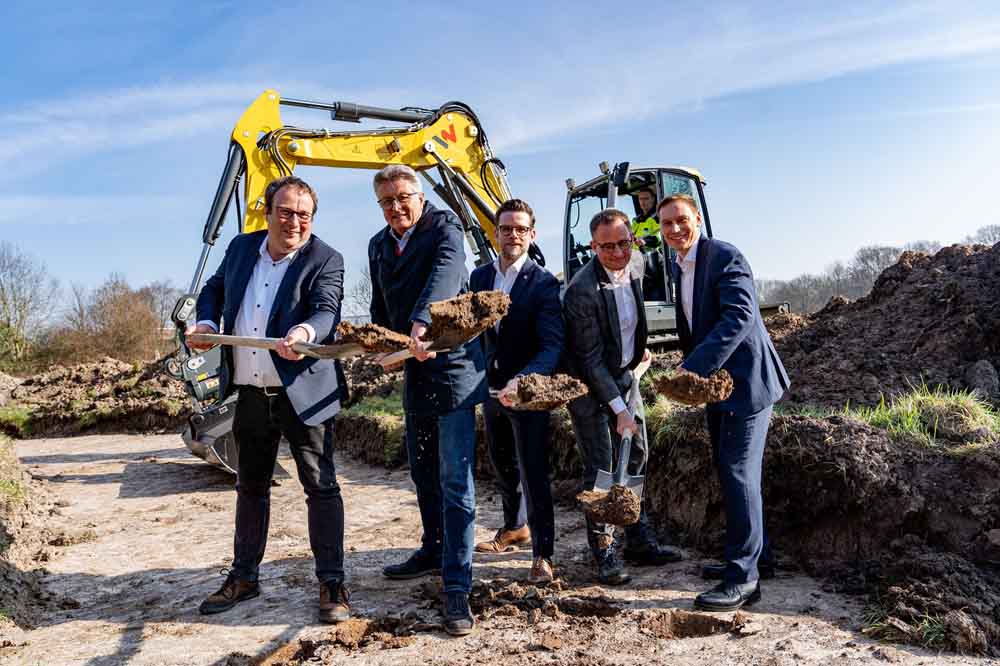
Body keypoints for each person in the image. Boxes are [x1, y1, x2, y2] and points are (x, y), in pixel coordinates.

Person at [187, 175, 351, 623]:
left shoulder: (326, 258)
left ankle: (332, 583)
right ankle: (244, 578)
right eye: (286, 211)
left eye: (304, 214)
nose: (295, 221)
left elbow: (326, 308)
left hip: (304, 392)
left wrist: (303, 332)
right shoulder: (242, 249)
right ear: (267, 211)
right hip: (250, 392)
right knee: (251, 486)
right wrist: (204, 322)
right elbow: (214, 290)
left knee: (320, 487)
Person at [368, 165, 487, 636]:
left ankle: (457, 584)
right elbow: (380, 301)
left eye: (403, 198)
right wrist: (380, 343)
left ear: (420, 196)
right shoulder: (379, 243)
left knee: (455, 479)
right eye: (386, 202)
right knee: (422, 470)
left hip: (452, 366)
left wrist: (420, 324)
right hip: (412, 368)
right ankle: (432, 547)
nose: (396, 208)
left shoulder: (446, 226)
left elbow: (445, 274)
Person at [657, 194, 790, 612]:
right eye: (666, 224)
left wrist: (691, 371)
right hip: (718, 386)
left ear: (697, 218)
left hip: (746, 385)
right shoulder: (682, 266)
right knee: (733, 471)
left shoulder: (725, 257)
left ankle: (743, 578)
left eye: (681, 220)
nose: (675, 229)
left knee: (738, 474)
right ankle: (757, 557)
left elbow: (739, 317)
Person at [563, 208, 683, 585]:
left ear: (633, 240)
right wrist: (618, 410)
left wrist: (636, 353)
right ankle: (606, 552)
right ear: (593, 247)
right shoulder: (581, 292)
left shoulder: (638, 263)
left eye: (623, 243)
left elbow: (627, 323)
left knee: (638, 454)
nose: (617, 253)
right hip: (587, 382)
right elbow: (590, 360)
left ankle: (639, 540)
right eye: (606, 247)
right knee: (602, 466)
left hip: (624, 374)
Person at [470, 199, 563, 584]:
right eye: (506, 228)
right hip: (491, 390)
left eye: (521, 229)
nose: (513, 235)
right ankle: (514, 527)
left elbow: (551, 344)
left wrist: (523, 381)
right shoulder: (479, 278)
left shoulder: (543, 283)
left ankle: (543, 553)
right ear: (495, 233)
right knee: (502, 464)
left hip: (526, 393)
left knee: (533, 471)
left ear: (532, 234)